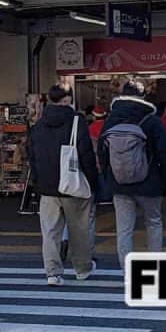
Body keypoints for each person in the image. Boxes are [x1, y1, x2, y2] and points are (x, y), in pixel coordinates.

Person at [99, 78, 166, 269]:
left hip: (119, 184)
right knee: (153, 222)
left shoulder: (111, 120)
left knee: (124, 229)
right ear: (143, 96)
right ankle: (155, 266)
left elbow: (102, 152)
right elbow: (164, 154)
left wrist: (109, 175)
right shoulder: (152, 121)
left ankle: (127, 270)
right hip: (149, 182)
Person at [29, 84, 98, 285]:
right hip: (73, 185)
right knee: (79, 229)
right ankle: (82, 268)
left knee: (50, 231)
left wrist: (37, 183)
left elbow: (32, 157)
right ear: (68, 100)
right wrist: (92, 182)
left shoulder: (38, 125)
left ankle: (52, 272)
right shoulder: (77, 121)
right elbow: (86, 154)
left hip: (47, 187)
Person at [60, 105, 107, 264]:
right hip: (86, 179)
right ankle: (88, 252)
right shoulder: (92, 134)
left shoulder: (61, 134)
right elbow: (91, 160)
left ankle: (64, 239)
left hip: (67, 179)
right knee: (88, 217)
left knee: (67, 214)